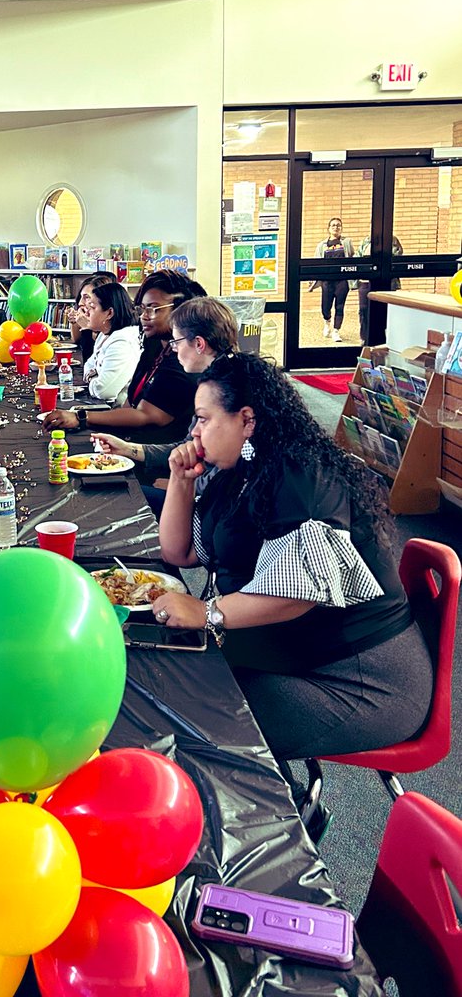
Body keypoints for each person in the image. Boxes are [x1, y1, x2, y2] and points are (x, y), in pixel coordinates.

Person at [152, 352, 433, 830]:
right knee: (184, 681)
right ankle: (282, 800)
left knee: (200, 716)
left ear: (247, 420)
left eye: (203, 419)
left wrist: (208, 611)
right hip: (300, 653)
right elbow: (179, 553)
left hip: (361, 678)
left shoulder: (301, 475)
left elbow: (298, 593)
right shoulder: (242, 469)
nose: (193, 432)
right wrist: (180, 481)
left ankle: (290, 821)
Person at [91, 296, 239, 515]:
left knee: (113, 497)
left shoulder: (226, 391)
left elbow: (232, 472)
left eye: (176, 342)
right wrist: (127, 449)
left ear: (199, 344)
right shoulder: (215, 378)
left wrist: (184, 487)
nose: (174, 349)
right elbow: (190, 446)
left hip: (213, 508)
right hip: (200, 492)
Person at [44, 270, 205, 441]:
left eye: (153, 309)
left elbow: (145, 415)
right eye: (142, 308)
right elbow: (131, 401)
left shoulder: (183, 360)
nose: (144, 316)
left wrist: (81, 418)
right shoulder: (154, 345)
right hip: (130, 439)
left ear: (180, 311)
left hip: (156, 448)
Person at [66, 281, 139, 406]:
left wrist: (91, 378)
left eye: (92, 307)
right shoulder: (104, 335)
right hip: (105, 406)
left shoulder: (122, 343)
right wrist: (94, 376)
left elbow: (104, 391)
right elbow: (89, 364)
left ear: (109, 313)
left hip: (117, 411)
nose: (86, 312)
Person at [315, 217, 355, 343]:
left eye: (338, 225)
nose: (336, 227)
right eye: (333, 225)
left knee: (340, 306)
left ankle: (336, 331)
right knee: (325, 307)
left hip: (342, 280)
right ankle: (327, 322)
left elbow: (352, 256)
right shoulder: (322, 245)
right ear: (329, 228)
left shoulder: (346, 242)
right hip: (327, 280)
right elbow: (317, 262)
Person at [358, 234, 403, 345]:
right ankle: (365, 338)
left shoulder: (392, 240)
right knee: (364, 310)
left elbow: (397, 256)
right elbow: (358, 257)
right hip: (365, 281)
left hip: (387, 280)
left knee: (385, 310)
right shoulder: (366, 240)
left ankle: (385, 338)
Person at [66, 272, 117, 363]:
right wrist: (75, 322)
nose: (80, 303)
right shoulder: (87, 316)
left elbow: (98, 358)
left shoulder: (116, 333)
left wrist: (87, 326)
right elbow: (76, 340)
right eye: (81, 297)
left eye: (87, 297)